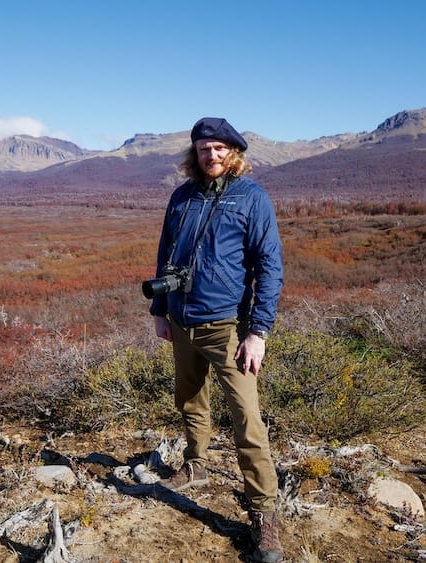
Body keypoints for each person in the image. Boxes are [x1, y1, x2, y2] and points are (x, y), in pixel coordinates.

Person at [148, 117, 284, 562]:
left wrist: (258, 332)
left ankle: (264, 514)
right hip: (182, 320)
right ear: (195, 154)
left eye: (220, 148)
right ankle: (195, 463)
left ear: (234, 152)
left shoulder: (252, 197)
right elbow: (166, 253)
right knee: (188, 398)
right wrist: (160, 311)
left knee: (247, 416)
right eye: (204, 149)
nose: (212, 156)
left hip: (228, 327)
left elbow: (269, 270)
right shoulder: (181, 197)